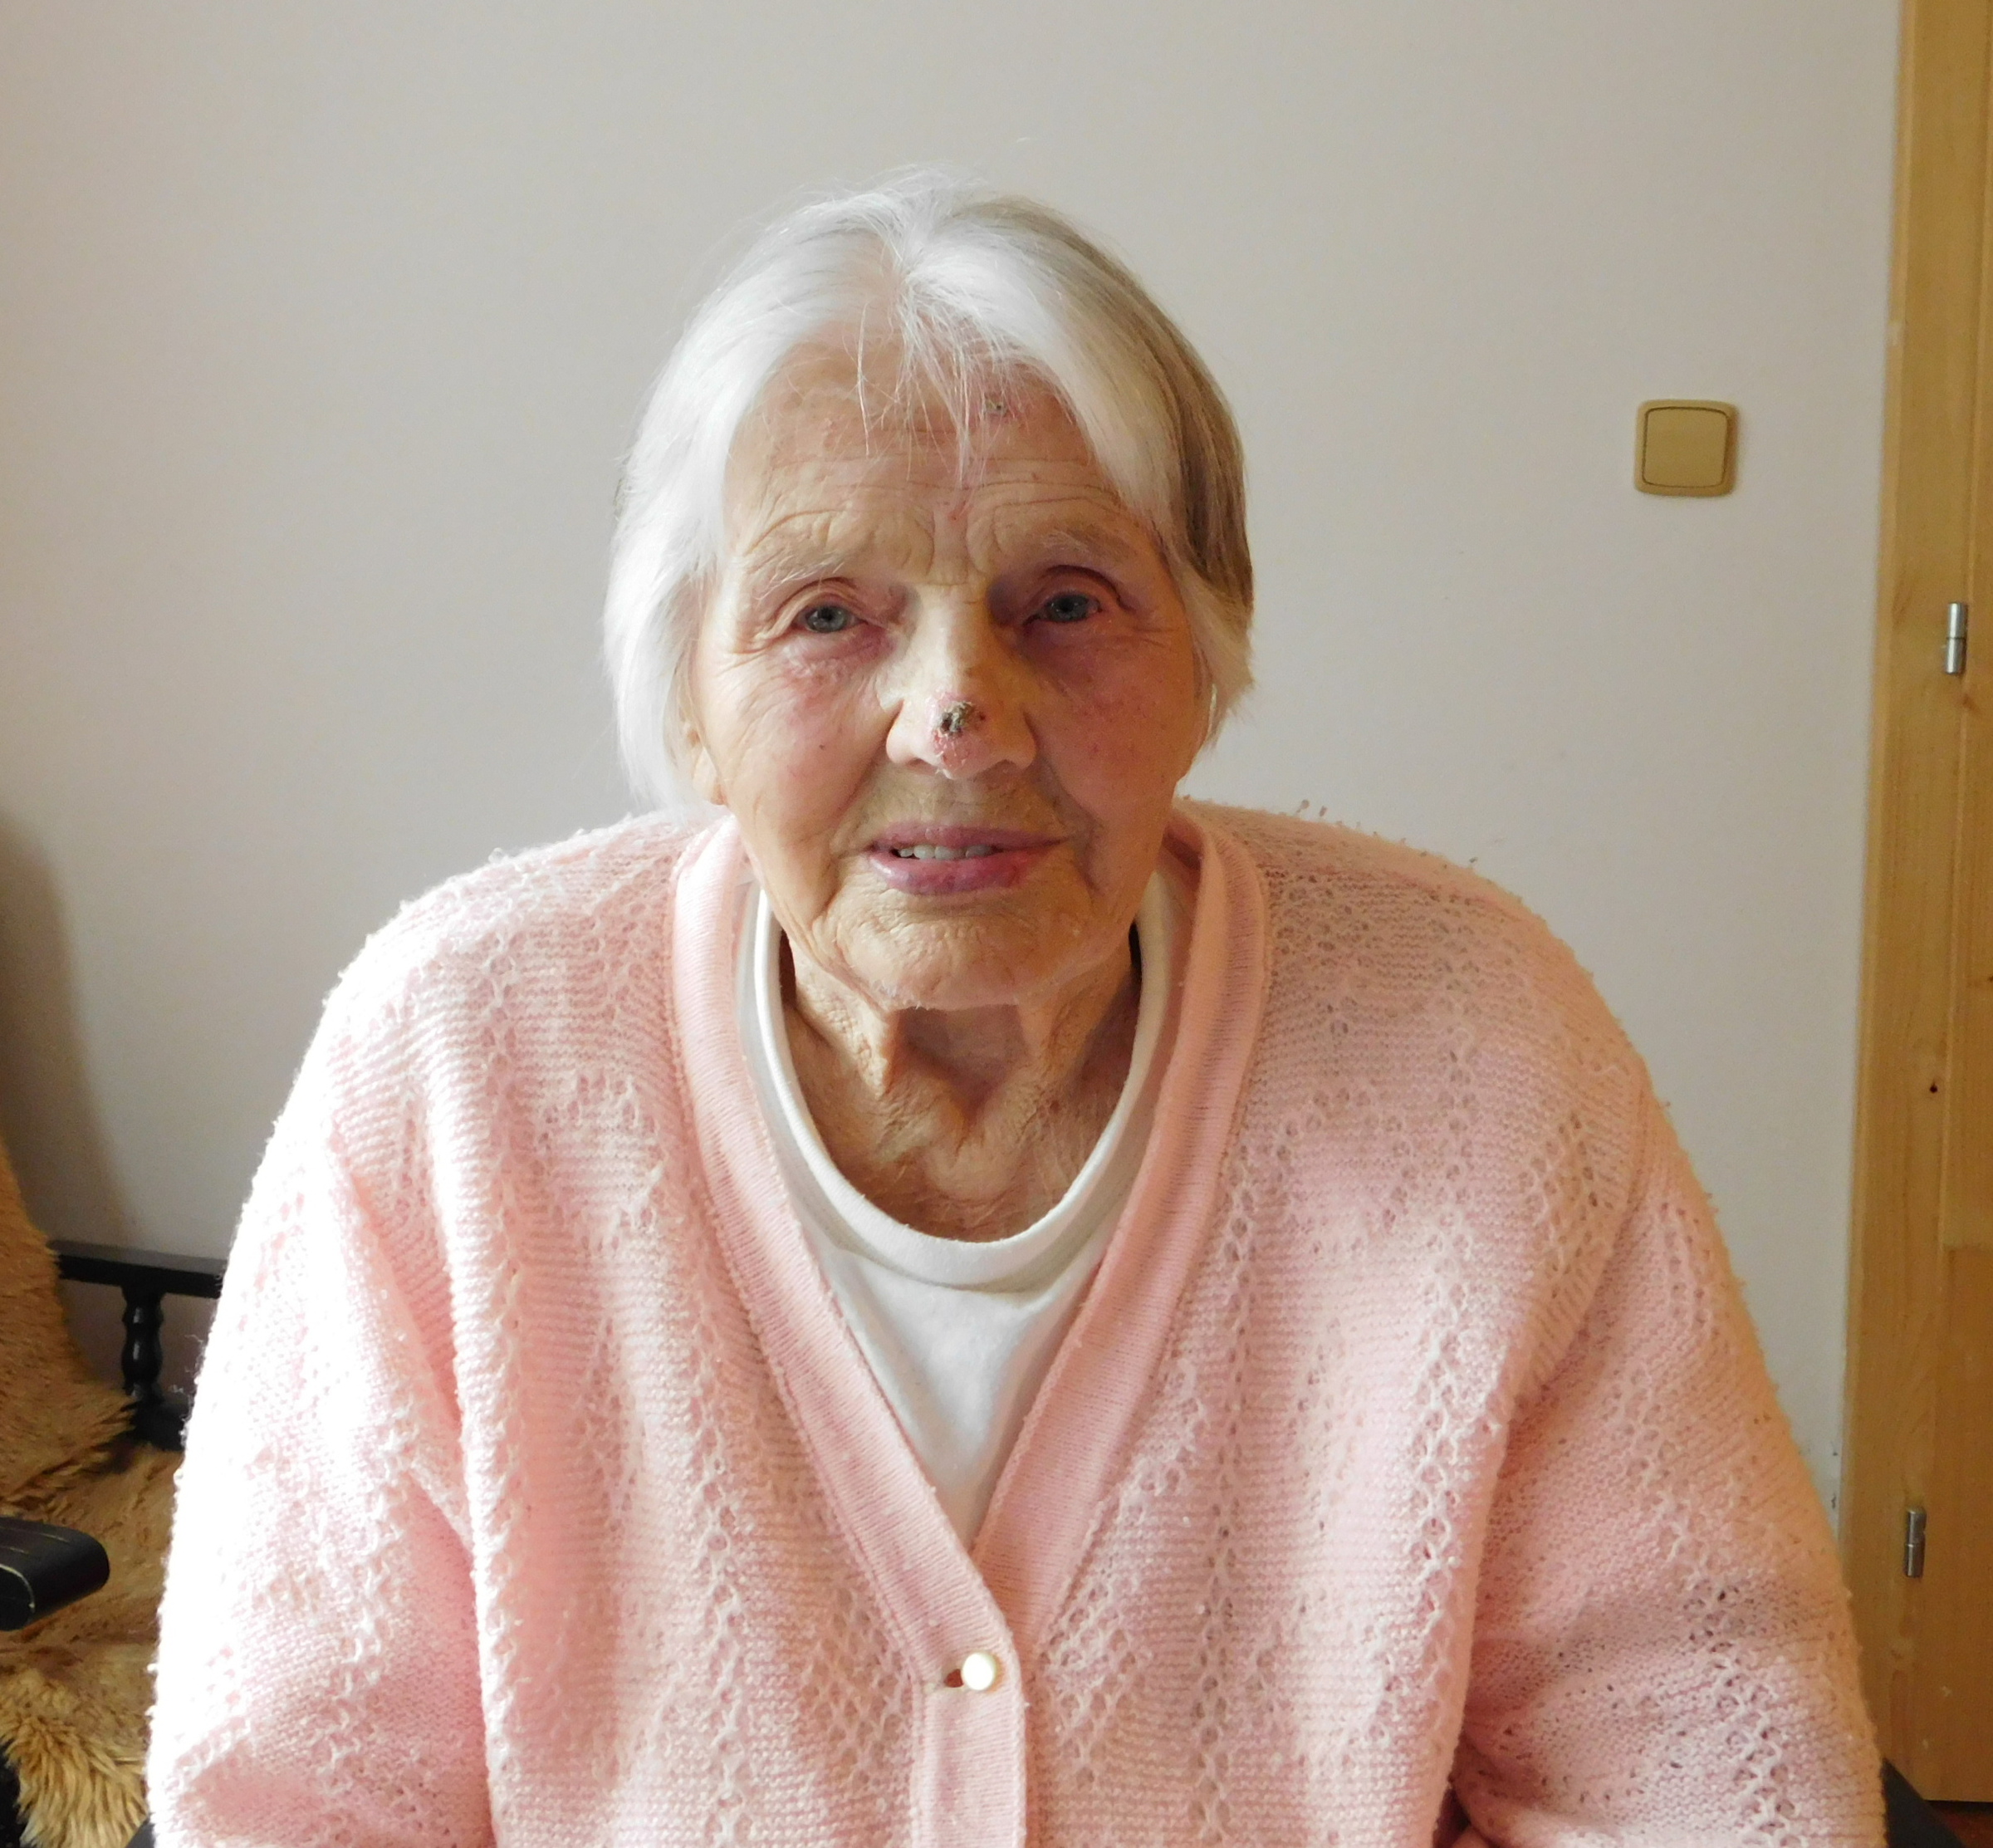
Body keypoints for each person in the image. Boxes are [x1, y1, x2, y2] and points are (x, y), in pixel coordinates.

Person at [149, 175, 1880, 1846]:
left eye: (1066, 604)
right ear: (690, 695)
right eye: (829, 614)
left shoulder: (1480, 1051)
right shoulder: (457, 1063)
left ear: (1207, 655)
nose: (957, 714)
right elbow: (299, 1801)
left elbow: (1706, 1770)